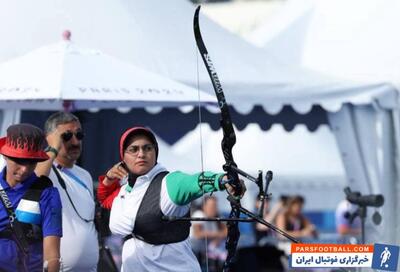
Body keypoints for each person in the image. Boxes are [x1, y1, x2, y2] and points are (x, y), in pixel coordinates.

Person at [97, 126, 245, 272]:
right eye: (133, 149)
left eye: (148, 148)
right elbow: (104, 200)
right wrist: (109, 179)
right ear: (123, 157)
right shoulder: (125, 190)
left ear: (155, 152)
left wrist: (224, 180)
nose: (141, 154)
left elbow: (195, 181)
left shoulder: (169, 183)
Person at [35, 112, 99, 271]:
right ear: (50, 139)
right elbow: (36, 179)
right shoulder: (46, 169)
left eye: (79, 134)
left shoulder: (85, 175)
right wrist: (52, 147)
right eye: (67, 136)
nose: (75, 141)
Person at [0, 123, 62, 272]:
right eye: (19, 161)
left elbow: (52, 256)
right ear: (4, 156)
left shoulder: (48, 194)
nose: (25, 169)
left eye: (32, 162)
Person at [191, 196, 227, 271]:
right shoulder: (199, 215)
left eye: (215, 206)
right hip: (196, 253)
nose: (213, 209)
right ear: (204, 206)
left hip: (209, 254)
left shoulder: (217, 217)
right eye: (211, 206)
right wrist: (217, 235)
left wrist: (216, 238)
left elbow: (226, 232)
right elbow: (198, 234)